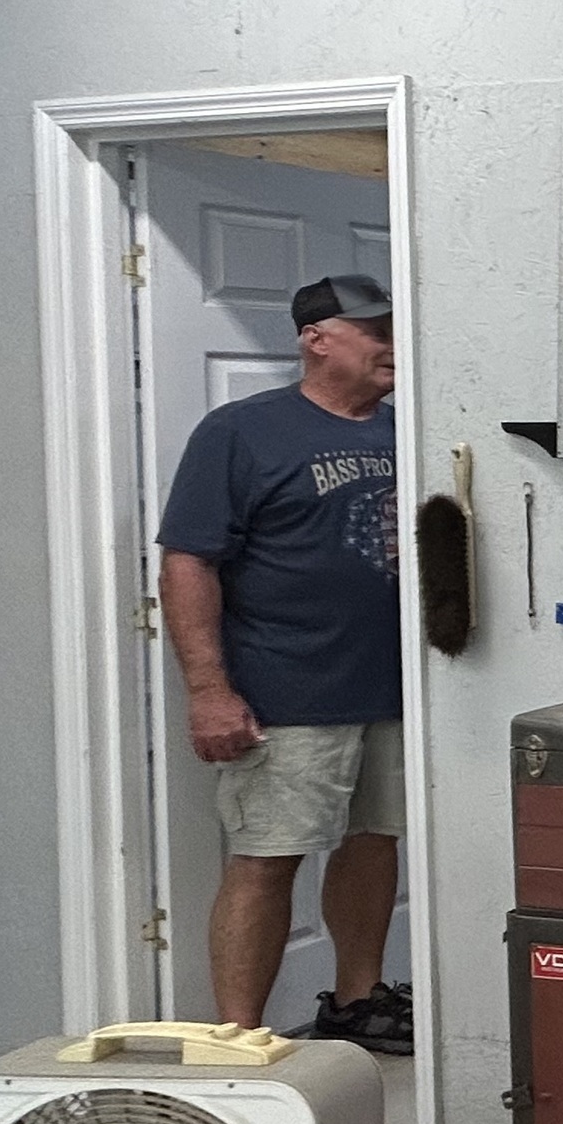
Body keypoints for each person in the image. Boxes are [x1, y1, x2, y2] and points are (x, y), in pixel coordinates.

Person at [157, 272, 411, 1051]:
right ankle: (239, 1037)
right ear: (316, 339)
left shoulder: (408, 428)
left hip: (399, 688)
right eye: (375, 331)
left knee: (376, 842)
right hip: (287, 691)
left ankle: (357, 999)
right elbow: (187, 562)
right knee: (267, 859)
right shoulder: (242, 432)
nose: (392, 344)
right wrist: (208, 689)